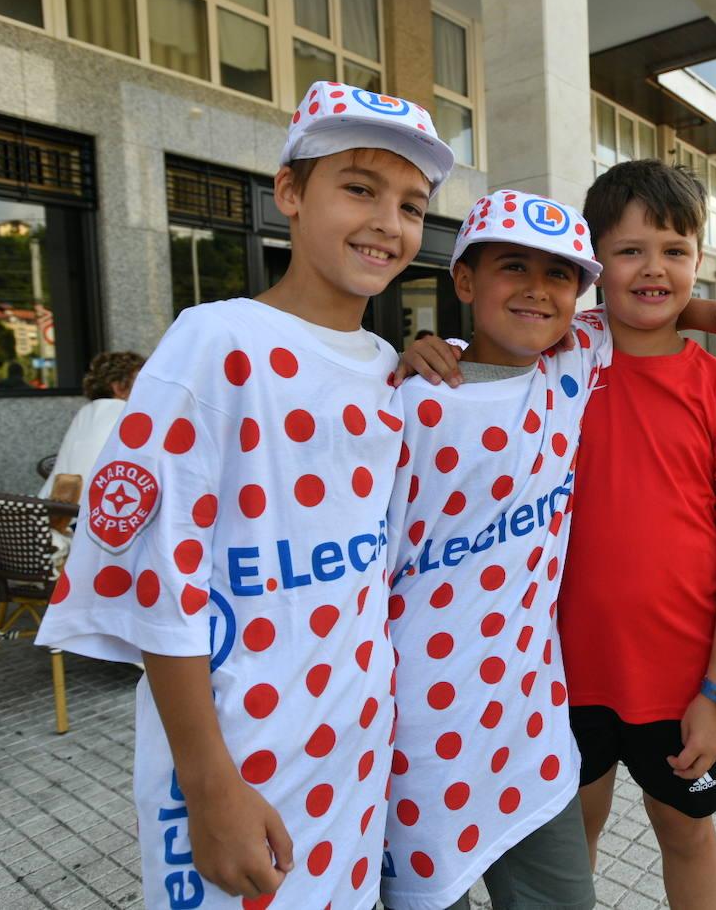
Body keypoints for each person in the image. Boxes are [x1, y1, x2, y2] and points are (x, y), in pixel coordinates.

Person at [36, 81, 457, 907]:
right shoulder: (215, 341)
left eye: (411, 204)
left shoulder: (386, 369)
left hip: (356, 751)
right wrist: (208, 787)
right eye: (360, 187)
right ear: (290, 193)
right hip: (244, 758)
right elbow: (158, 577)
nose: (388, 222)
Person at [559, 159, 716, 910]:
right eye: (629, 251)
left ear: (699, 262)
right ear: (594, 261)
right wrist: (432, 353)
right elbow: (498, 337)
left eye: (674, 251)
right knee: (568, 839)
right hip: (558, 673)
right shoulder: (560, 359)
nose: (653, 268)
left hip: (680, 680)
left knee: (684, 834)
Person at [381, 193, 610, 910]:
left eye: (561, 274)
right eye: (513, 266)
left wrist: (710, 316)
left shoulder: (569, 367)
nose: (539, 288)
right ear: (465, 282)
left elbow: (635, 309)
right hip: (416, 733)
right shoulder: (402, 400)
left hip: (532, 725)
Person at [39, 351, 147, 499]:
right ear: (118, 388)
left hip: (60, 511)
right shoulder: (124, 413)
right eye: (142, 382)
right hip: (104, 512)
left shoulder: (87, 412)